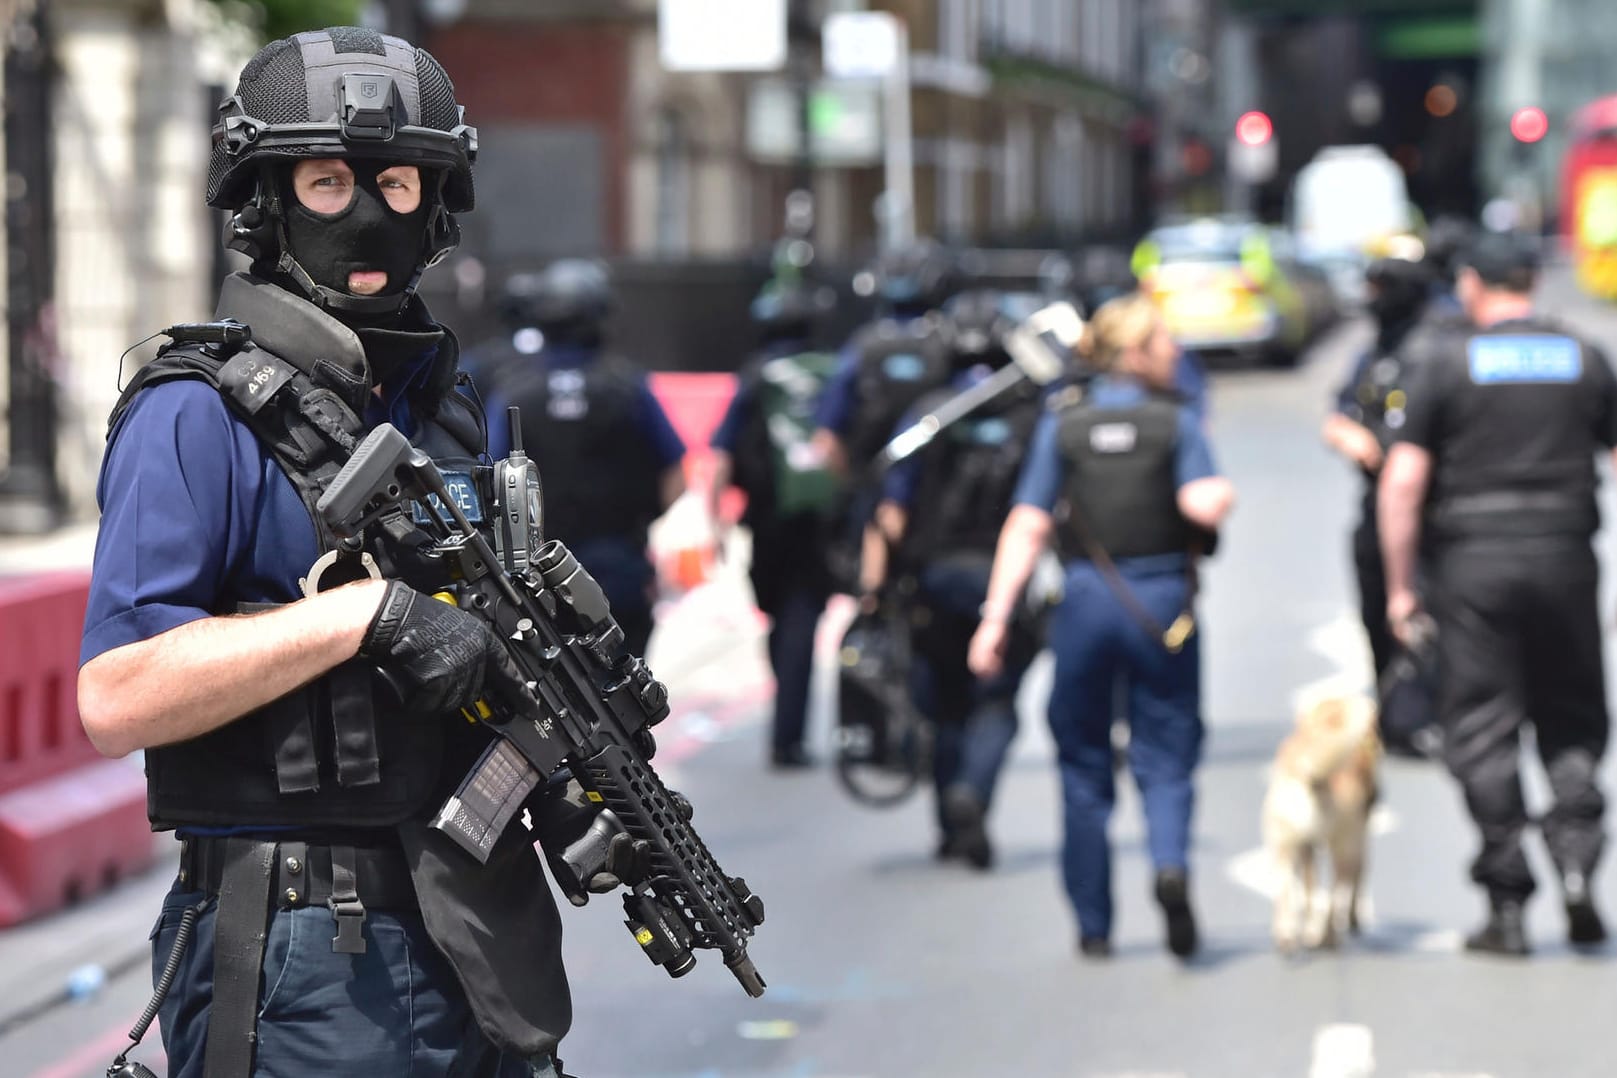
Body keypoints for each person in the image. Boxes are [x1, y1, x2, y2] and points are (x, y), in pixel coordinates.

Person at [77, 28, 583, 1076]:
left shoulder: (443, 408)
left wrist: (556, 746)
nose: (365, 211)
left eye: (397, 183)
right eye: (324, 180)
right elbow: (116, 694)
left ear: (435, 204)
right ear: (264, 199)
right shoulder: (195, 415)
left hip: (475, 930)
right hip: (308, 946)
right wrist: (362, 616)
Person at [968, 294, 1235, 959]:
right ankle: (1168, 864)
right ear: (1135, 351)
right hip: (1160, 605)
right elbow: (1201, 502)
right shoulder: (1176, 423)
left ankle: (1092, 925)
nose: (1175, 350)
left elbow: (1027, 524)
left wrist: (995, 618)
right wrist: (1217, 500)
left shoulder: (1065, 424)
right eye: (1164, 340)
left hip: (1084, 604)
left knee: (1082, 762)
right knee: (1165, 752)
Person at [1380, 231, 1614, 956]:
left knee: (1481, 729)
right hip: (1564, 559)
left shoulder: (1444, 362)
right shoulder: (1583, 357)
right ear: (1532, 283)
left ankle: (1507, 902)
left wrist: (1397, 587)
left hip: (1472, 566)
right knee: (1571, 718)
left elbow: (1403, 481)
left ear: (1475, 285)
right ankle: (1576, 867)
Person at [863, 290, 1046, 868]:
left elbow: (889, 513)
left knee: (943, 707)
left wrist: (874, 592)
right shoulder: (1028, 417)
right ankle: (974, 797)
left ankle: (948, 823)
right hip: (1003, 583)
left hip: (932, 583)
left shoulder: (928, 416)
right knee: (997, 705)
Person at [485, 259, 687, 657]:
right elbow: (677, 474)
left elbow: (491, 478)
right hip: (620, 569)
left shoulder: (514, 391)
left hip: (539, 579)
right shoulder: (629, 386)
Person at [709, 282, 839, 769]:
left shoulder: (756, 377)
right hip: (822, 523)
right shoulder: (833, 371)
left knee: (781, 618)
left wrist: (715, 523)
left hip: (768, 522)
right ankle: (791, 733)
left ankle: (785, 725)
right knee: (803, 620)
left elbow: (722, 452)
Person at [1322, 255, 1446, 755]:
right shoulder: (1376, 351)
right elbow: (1340, 409)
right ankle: (1395, 719)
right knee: (1378, 614)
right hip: (1377, 504)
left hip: (1433, 508)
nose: (1372, 300)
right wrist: (1345, 433)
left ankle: (1428, 715)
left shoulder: (1437, 350)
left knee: (1425, 612)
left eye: (1382, 289)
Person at [811, 239, 958, 589]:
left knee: (873, 594)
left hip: (873, 495)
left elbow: (826, 437)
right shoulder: (949, 343)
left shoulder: (862, 346)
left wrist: (854, 484)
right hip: (940, 501)